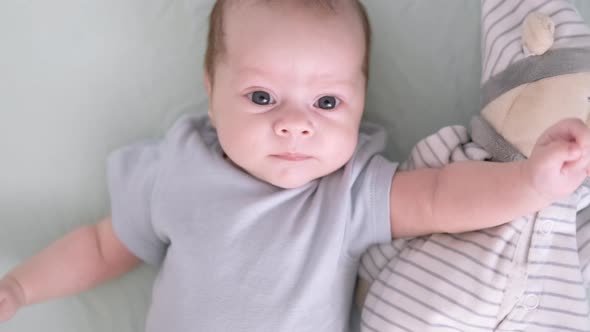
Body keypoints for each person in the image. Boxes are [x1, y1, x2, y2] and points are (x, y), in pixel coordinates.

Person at [1, 1, 590, 331]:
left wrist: (526, 182)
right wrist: (21, 286)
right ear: (211, 92)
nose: (294, 123)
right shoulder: (176, 170)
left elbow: (439, 194)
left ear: (360, 104)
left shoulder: (346, 193)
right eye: (261, 97)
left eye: (326, 103)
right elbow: (104, 245)